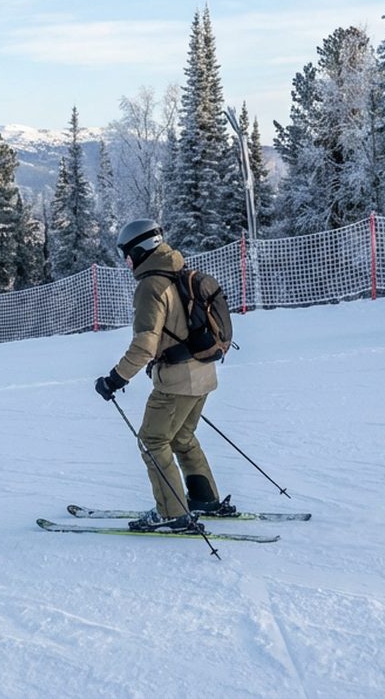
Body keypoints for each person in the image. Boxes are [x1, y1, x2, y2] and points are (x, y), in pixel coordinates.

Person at [93, 219, 235, 533]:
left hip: (177, 381)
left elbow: (145, 343)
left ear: (141, 250)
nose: (127, 262)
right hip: (204, 373)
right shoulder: (180, 274)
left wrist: (116, 378)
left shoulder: (151, 286)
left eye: (127, 255)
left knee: (152, 441)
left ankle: (172, 512)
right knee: (182, 438)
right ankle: (204, 499)